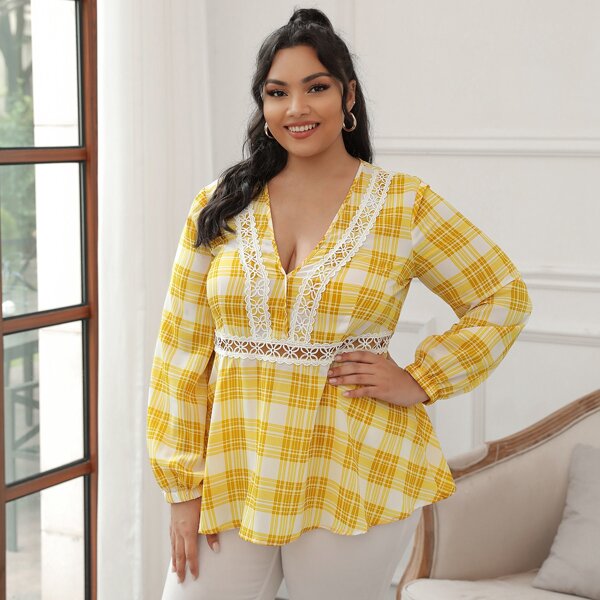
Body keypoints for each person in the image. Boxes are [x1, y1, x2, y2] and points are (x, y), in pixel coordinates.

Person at [146, 7, 533, 600]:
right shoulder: (220, 205)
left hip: (355, 465)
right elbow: (180, 352)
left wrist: (421, 378)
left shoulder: (403, 205)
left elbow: (502, 295)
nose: (296, 108)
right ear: (263, 105)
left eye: (316, 88)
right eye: (277, 93)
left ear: (348, 96)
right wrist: (181, 488)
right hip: (232, 467)